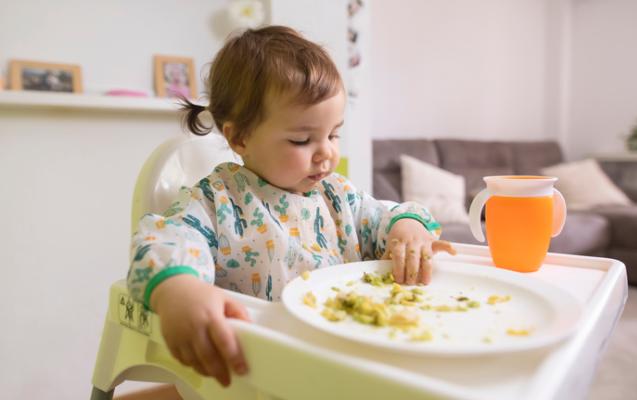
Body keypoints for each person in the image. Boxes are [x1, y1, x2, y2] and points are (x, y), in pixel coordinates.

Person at [127, 25, 456, 388]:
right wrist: (178, 291)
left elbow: (383, 217)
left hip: (349, 356)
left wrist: (406, 229)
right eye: (302, 139)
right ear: (240, 138)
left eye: (333, 134)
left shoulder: (338, 197)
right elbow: (165, 241)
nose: (327, 152)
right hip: (263, 372)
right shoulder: (217, 203)